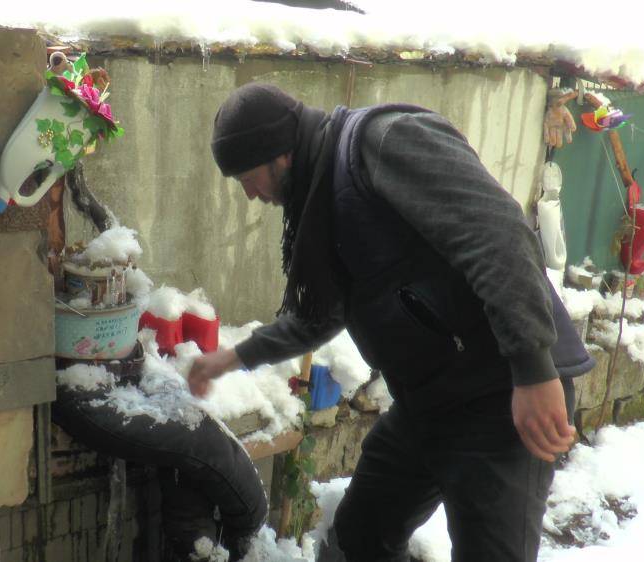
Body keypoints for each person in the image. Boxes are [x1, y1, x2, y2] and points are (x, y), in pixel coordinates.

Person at [187, 83, 594, 561]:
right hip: (431, 403)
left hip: (500, 394)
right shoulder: (321, 201)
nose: (251, 195)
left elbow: (500, 236)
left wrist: (532, 367)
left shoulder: (384, 142)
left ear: (278, 152)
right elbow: (321, 314)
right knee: (360, 537)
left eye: (247, 177)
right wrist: (235, 357)